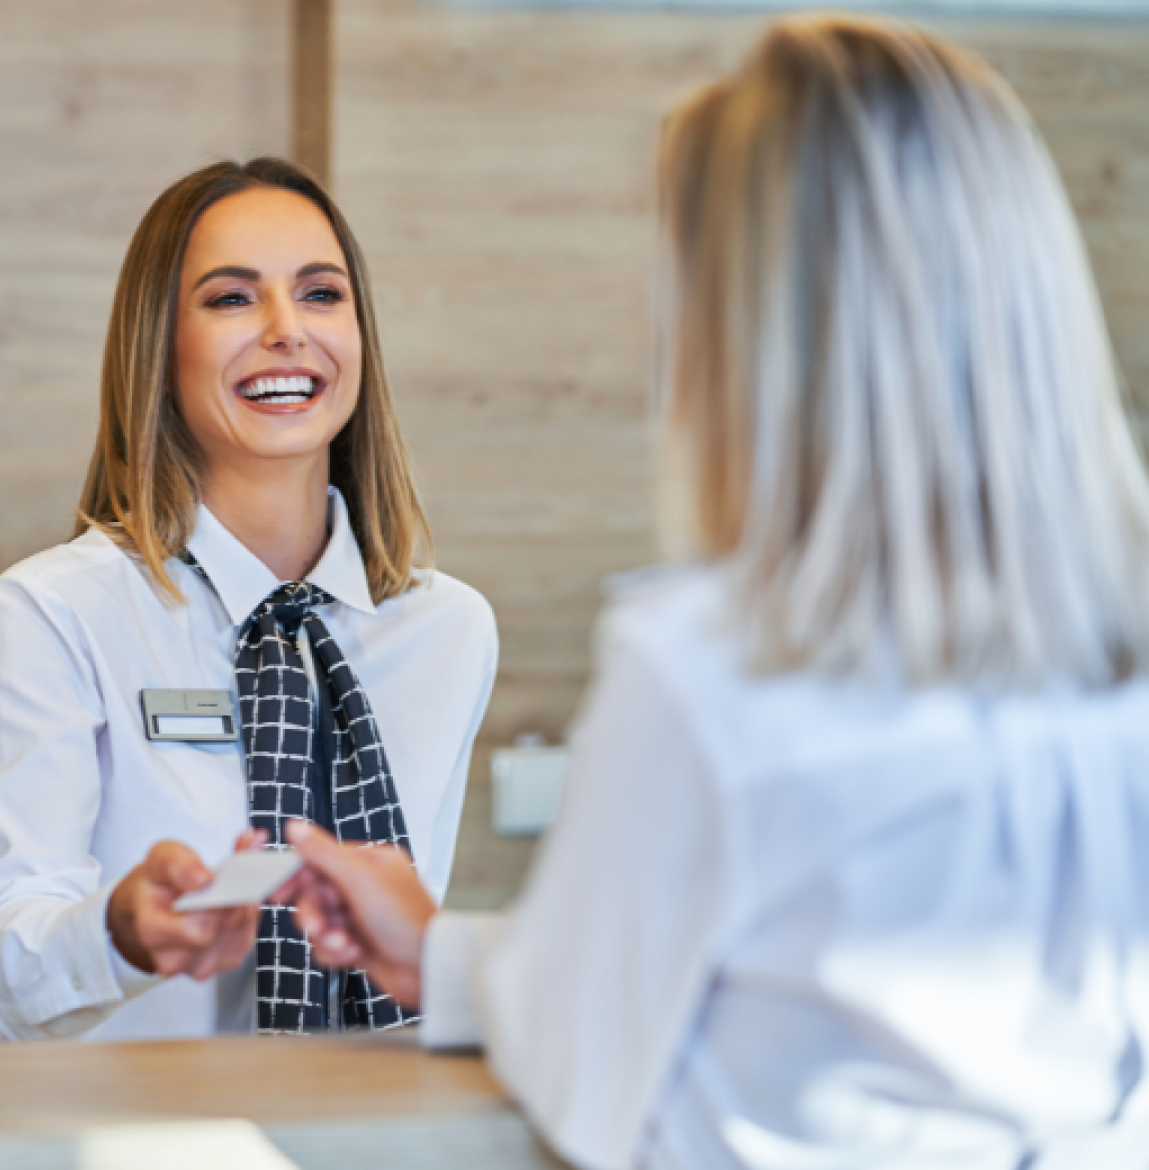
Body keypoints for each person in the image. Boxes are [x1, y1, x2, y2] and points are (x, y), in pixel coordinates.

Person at [277, 16, 1149, 1169]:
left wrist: (447, 955)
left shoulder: (708, 663)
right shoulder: (1113, 659)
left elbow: (582, 1075)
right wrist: (439, 953)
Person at [0, 158, 498, 1045]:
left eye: (322, 294)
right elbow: (4, 959)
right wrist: (119, 932)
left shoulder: (450, 629)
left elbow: (406, 937)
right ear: (160, 346)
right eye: (233, 300)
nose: (287, 331)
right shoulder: (56, 609)